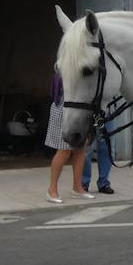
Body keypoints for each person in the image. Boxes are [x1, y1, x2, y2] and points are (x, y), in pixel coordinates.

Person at [46, 68, 94, 203]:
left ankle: (77, 187)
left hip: (80, 107)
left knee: (81, 149)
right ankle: (52, 190)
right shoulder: (65, 63)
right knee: (64, 150)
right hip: (65, 107)